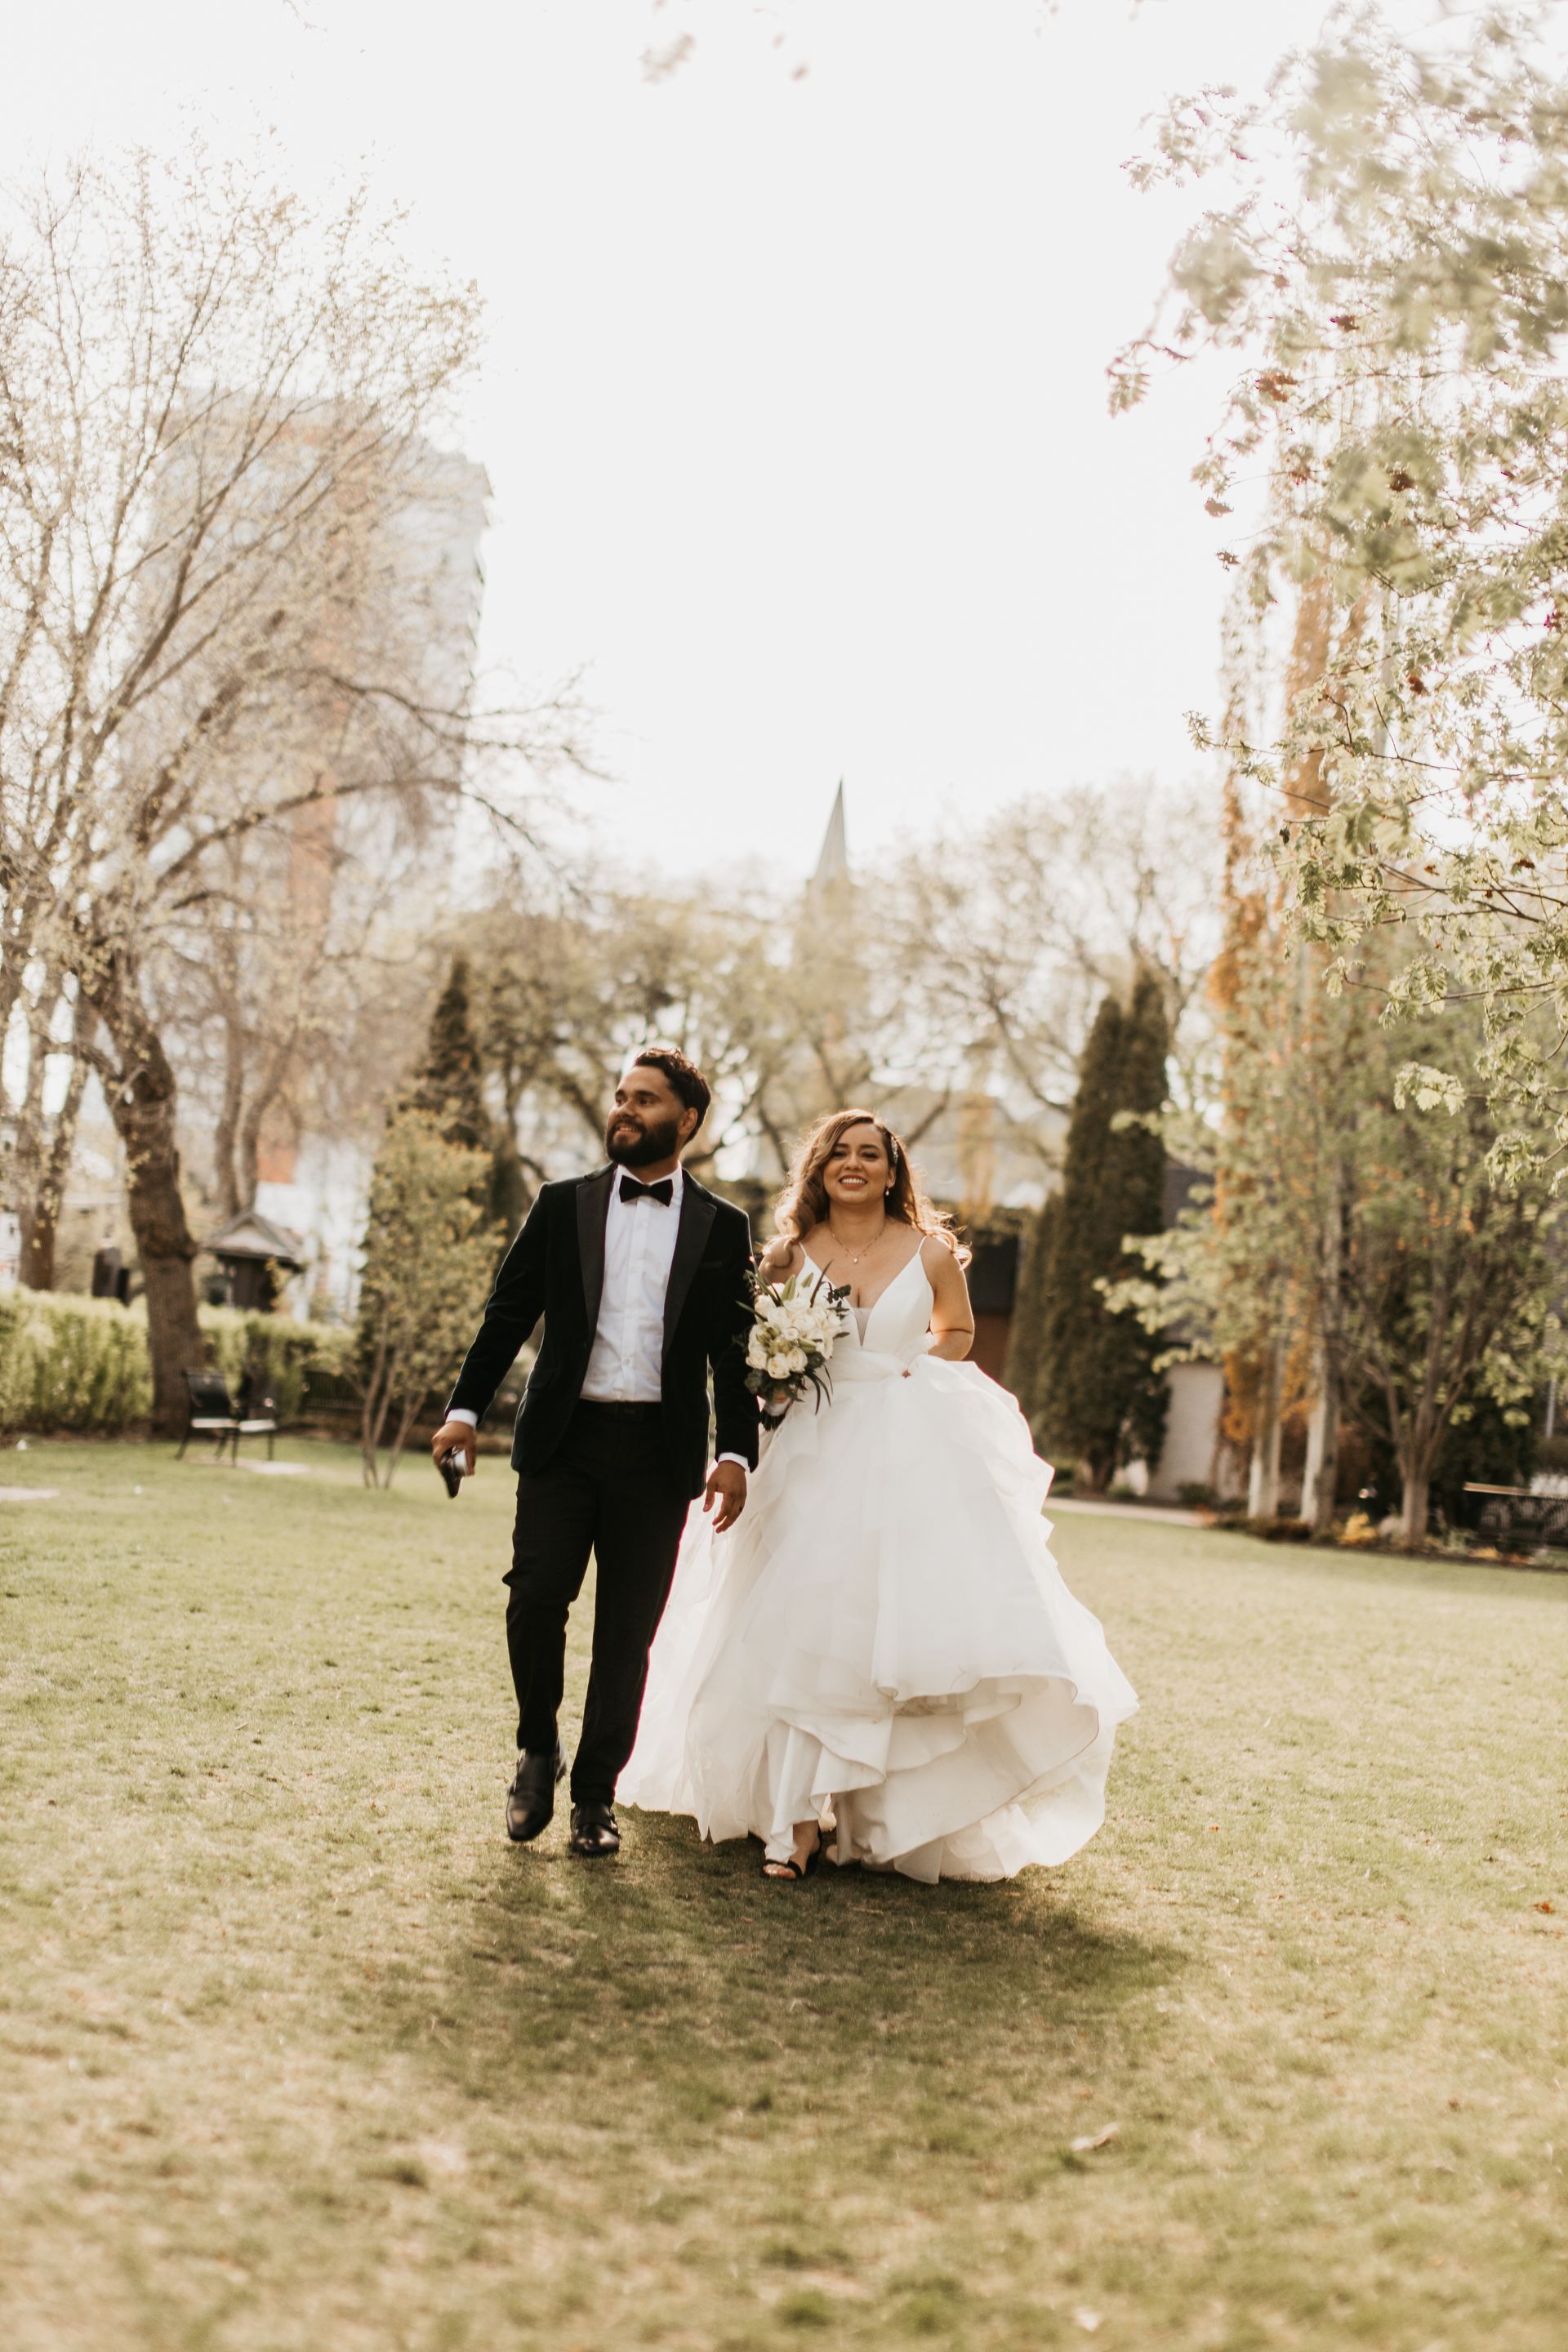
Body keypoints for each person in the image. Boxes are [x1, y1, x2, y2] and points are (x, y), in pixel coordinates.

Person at [619, 1108, 1138, 1882]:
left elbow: (957, 1334)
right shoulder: (791, 1255)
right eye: (839, 1153)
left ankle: (867, 1820)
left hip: (901, 1444)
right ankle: (791, 1820)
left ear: (893, 1173)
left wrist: (906, 1360)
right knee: (796, 1618)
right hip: (808, 1448)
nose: (853, 1164)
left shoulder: (931, 1253)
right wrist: (786, 1362)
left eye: (870, 1154)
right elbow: (750, 1349)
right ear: (819, 1169)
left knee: (880, 1631)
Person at [430, 1047, 759, 1859]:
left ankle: (595, 1799)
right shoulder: (561, 1204)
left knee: (626, 1635)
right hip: (563, 1442)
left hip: (660, 1453)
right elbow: (507, 1315)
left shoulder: (724, 1227)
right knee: (535, 1598)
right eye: (621, 1095)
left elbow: (733, 1353)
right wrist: (464, 1411)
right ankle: (537, 1750)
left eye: (644, 1100)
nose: (624, 1108)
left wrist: (737, 1455)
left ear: (685, 1121)